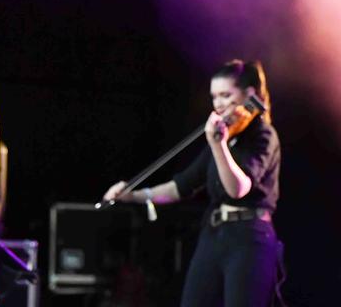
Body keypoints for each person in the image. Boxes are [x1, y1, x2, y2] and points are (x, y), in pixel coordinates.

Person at [103, 59, 284, 307]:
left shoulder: (262, 135)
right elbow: (181, 187)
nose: (219, 104)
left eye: (225, 95)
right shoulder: (225, 135)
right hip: (214, 233)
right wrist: (132, 195)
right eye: (214, 97)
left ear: (249, 93)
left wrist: (219, 145)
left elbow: (238, 188)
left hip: (249, 237)